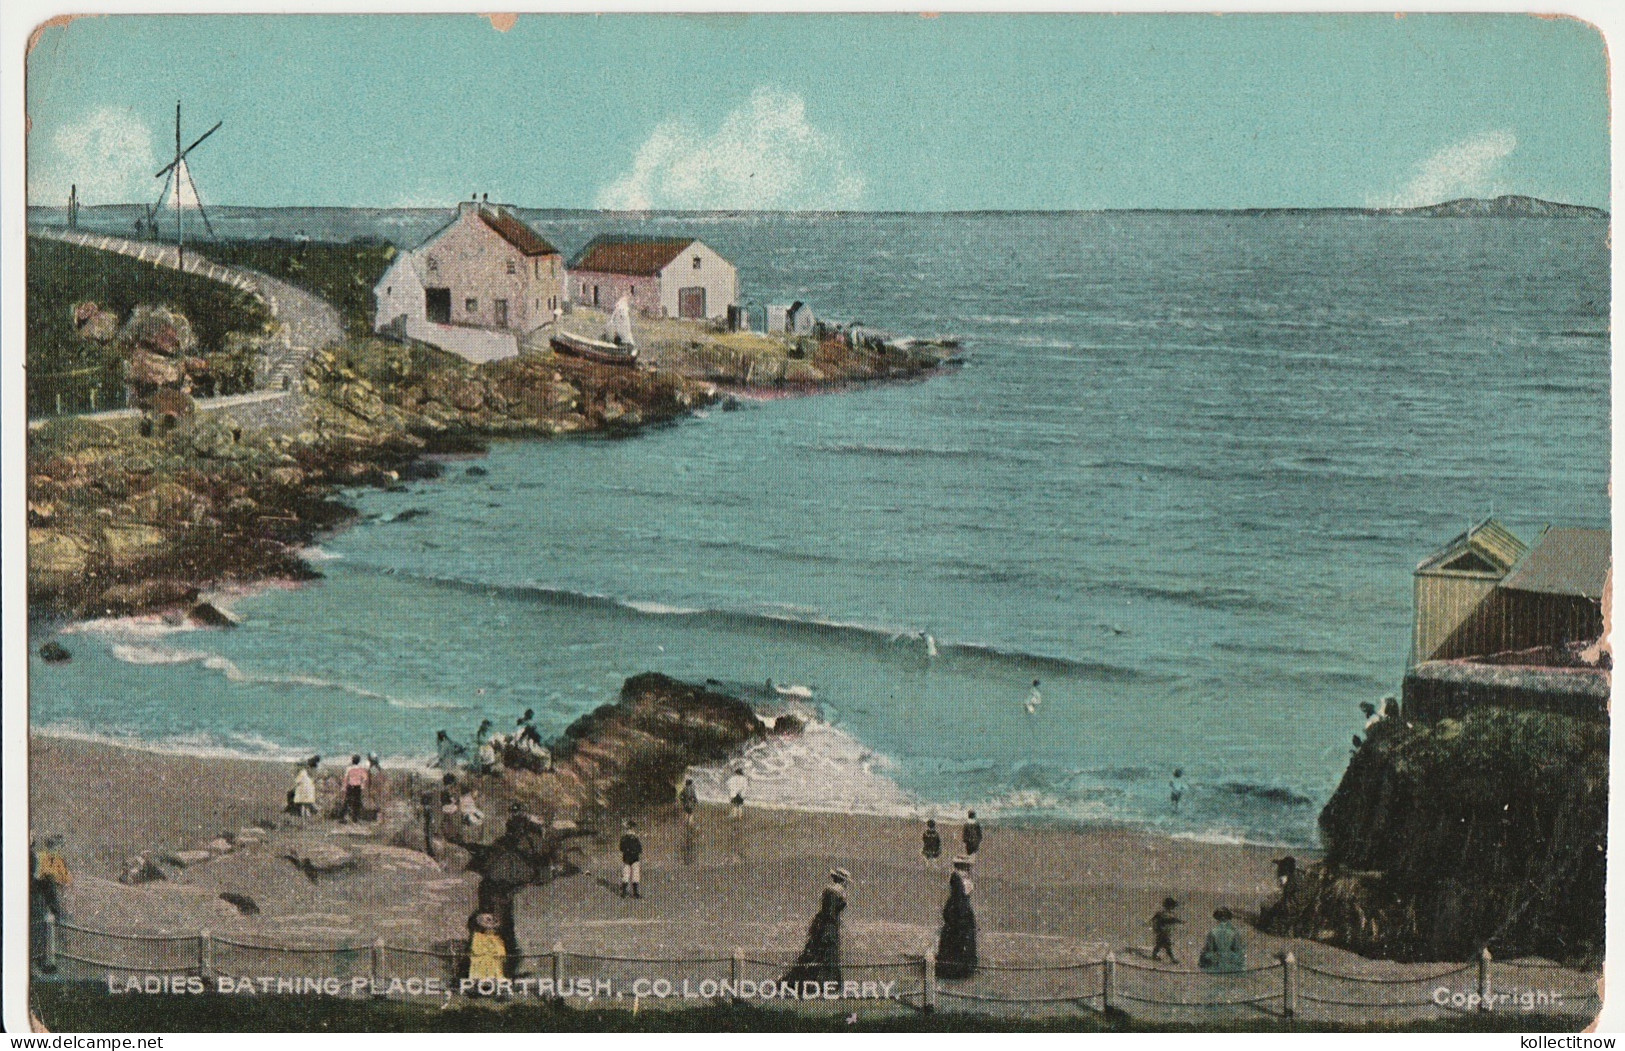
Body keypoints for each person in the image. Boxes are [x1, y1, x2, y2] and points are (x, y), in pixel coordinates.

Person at [783, 868, 848, 986]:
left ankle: (811, 982)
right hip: (830, 927)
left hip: (826, 925)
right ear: (843, 880)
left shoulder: (829, 890)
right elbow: (830, 912)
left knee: (817, 953)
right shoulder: (836, 891)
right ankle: (825, 984)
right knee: (827, 954)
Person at [935, 857, 978, 979]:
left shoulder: (959, 879)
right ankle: (957, 969)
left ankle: (956, 968)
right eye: (964, 867)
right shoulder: (958, 879)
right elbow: (959, 898)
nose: (967, 870)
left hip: (958, 912)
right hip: (959, 912)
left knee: (957, 939)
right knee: (959, 939)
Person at [32, 835, 71, 922]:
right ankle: (56, 914)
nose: (56, 851)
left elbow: (67, 879)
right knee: (49, 878)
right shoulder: (41, 856)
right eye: (54, 847)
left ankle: (58, 915)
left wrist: (58, 879)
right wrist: (52, 875)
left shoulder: (59, 861)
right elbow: (38, 874)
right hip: (41, 886)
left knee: (51, 880)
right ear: (49, 847)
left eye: (58, 848)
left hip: (52, 887)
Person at [1199, 907, 1246, 973]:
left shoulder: (1212, 932)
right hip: (1232, 963)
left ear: (1217, 918)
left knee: (1204, 953)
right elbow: (1238, 950)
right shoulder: (1234, 932)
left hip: (1217, 963)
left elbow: (1209, 950)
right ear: (1229, 918)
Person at [467, 913, 506, 982]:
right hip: (481, 968)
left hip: (495, 967)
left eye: (493, 920)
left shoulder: (497, 938)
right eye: (488, 920)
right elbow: (477, 951)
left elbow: (501, 952)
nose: (492, 922)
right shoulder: (477, 936)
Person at [1150, 897, 1184, 963]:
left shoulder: (1163, 913)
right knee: (1167, 945)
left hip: (1163, 931)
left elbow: (1156, 918)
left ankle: (1154, 955)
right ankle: (1172, 959)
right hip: (1163, 932)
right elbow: (1168, 920)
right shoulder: (1164, 913)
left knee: (1159, 944)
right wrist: (1177, 920)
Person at [620, 820, 644, 898]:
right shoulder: (635, 838)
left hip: (627, 858)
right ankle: (635, 893)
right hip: (634, 858)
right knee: (635, 875)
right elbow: (640, 849)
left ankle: (624, 892)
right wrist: (636, 851)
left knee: (626, 874)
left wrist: (627, 851)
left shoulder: (624, 838)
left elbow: (621, 848)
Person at [341, 755, 369, 823]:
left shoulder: (349, 768)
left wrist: (344, 787)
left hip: (350, 786)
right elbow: (365, 778)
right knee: (357, 802)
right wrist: (363, 785)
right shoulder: (361, 769)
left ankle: (344, 817)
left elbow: (345, 778)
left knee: (347, 802)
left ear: (352, 760)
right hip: (358, 787)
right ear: (359, 761)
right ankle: (355, 818)